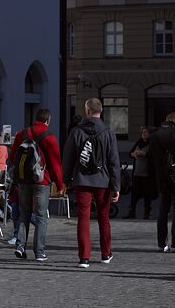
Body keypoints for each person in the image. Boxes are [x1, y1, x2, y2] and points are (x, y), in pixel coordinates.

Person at [62, 99, 121, 268]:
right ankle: (106, 253)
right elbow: (114, 162)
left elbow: (68, 158)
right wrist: (116, 186)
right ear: (101, 111)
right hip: (103, 180)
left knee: (83, 218)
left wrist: (66, 180)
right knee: (104, 218)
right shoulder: (108, 133)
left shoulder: (76, 131)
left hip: (82, 179)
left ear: (87, 110)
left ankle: (84, 257)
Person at [9, 108, 64, 262]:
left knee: (24, 212)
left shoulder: (22, 134)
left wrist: (22, 171)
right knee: (40, 216)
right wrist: (59, 184)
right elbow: (55, 163)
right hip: (41, 181)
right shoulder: (49, 137)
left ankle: (20, 245)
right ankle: (39, 252)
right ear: (48, 120)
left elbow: (13, 157)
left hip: (23, 180)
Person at [149, 112, 175, 252]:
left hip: (161, 177)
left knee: (163, 211)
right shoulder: (174, 134)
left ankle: (162, 243)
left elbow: (151, 157)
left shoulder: (154, 135)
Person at [125, 127, 157, 219]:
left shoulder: (152, 143)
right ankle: (132, 212)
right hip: (136, 173)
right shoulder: (139, 142)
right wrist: (133, 154)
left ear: (150, 133)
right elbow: (130, 153)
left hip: (147, 174)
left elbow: (154, 156)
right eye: (142, 132)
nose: (143, 134)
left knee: (147, 195)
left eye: (146, 132)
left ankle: (146, 214)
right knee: (134, 195)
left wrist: (144, 154)